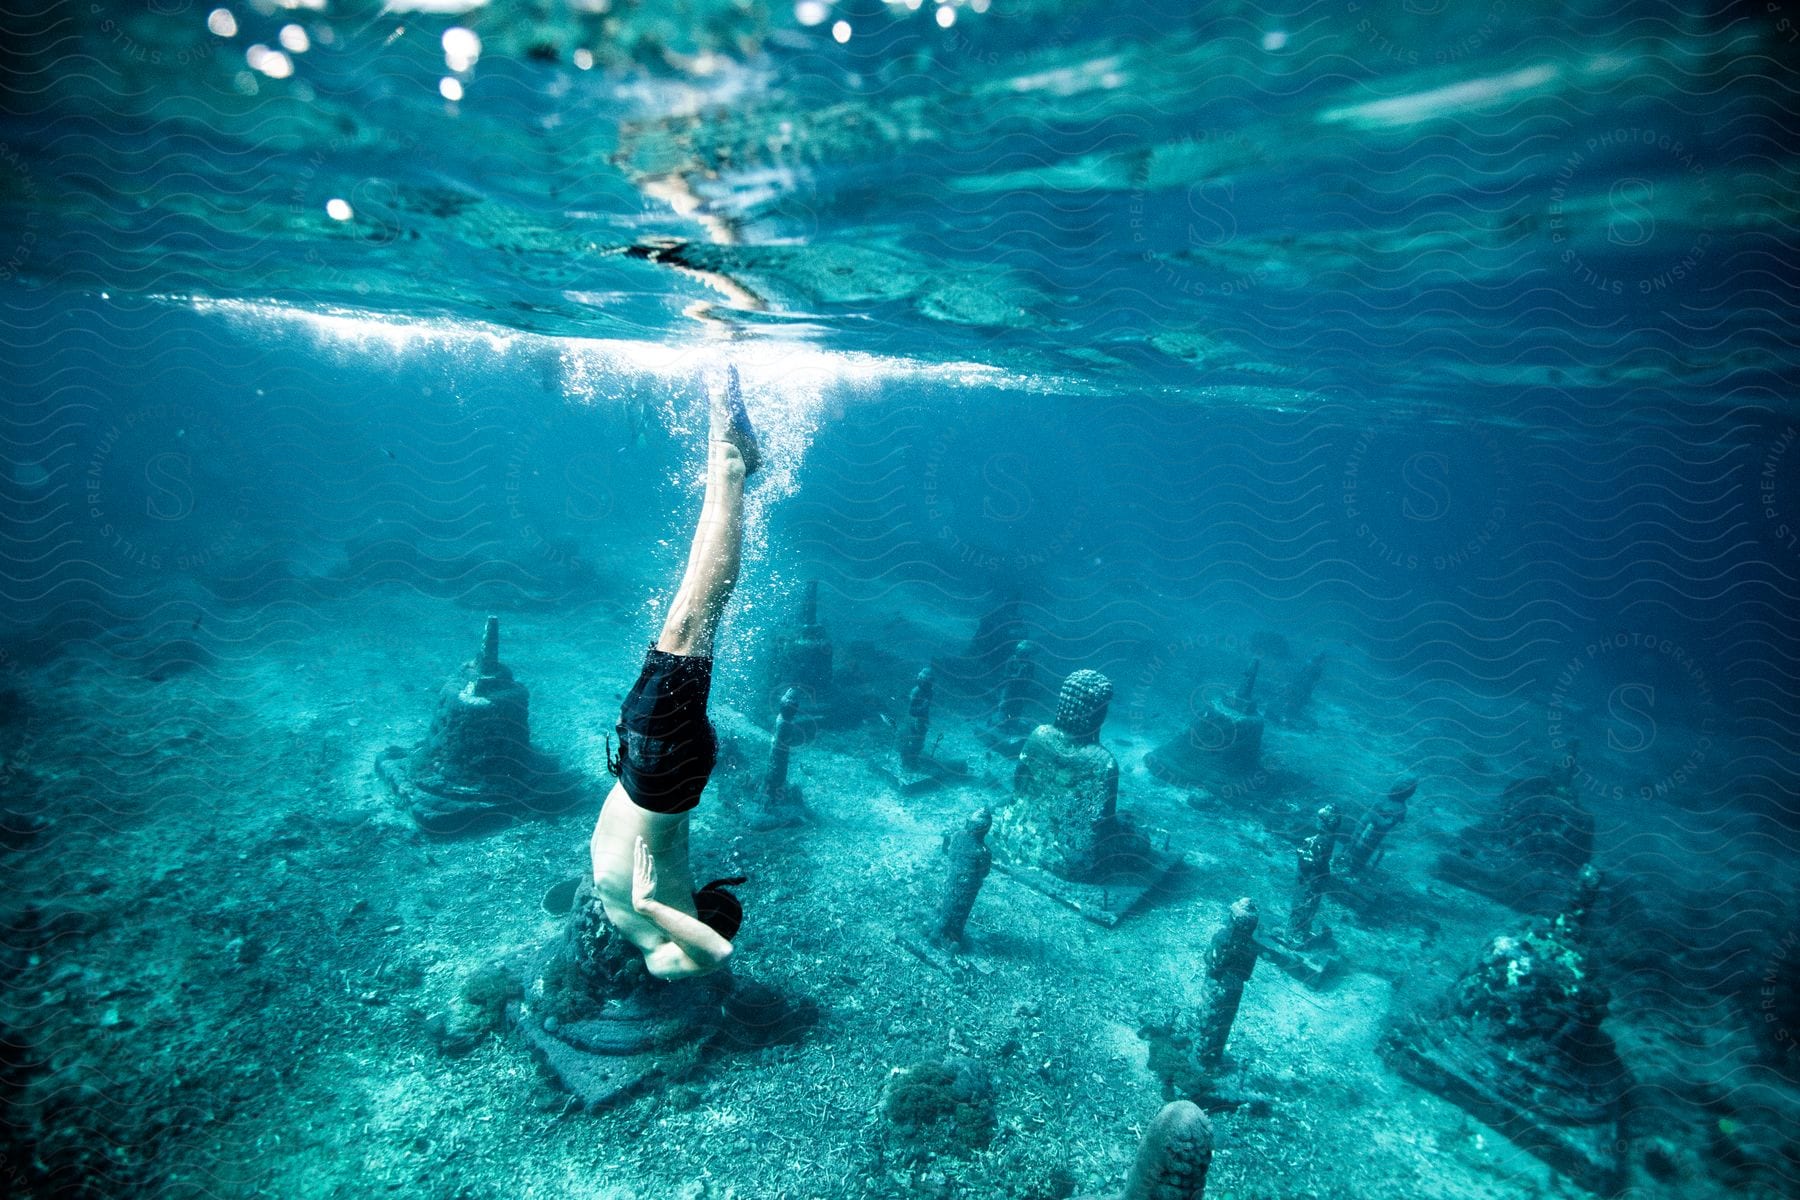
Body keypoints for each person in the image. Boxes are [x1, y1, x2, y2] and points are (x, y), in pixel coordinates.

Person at [588, 364, 761, 981]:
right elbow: (721, 955)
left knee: (696, 614)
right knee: (693, 615)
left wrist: (652, 903)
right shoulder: (665, 943)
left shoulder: (647, 933)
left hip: (648, 765)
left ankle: (735, 472)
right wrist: (654, 903)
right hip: (659, 772)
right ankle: (731, 466)